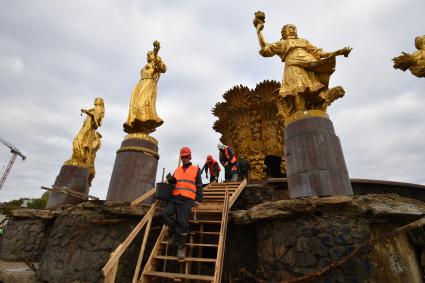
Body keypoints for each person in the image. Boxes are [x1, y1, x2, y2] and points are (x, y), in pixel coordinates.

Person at [254, 13, 351, 118]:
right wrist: (259, 31)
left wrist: (338, 52)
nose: (293, 29)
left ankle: (312, 110)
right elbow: (266, 49)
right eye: (289, 28)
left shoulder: (303, 41)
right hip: (293, 66)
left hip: (309, 65)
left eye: (294, 28)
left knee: (309, 89)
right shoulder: (283, 43)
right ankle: (300, 115)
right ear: (284, 33)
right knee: (297, 90)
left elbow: (319, 53)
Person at [161, 146, 203, 260]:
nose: (184, 158)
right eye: (182, 157)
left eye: (186, 157)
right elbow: (174, 183)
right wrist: (171, 181)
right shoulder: (177, 169)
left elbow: (199, 185)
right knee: (164, 214)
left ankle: (181, 247)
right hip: (175, 198)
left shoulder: (195, 169)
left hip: (187, 200)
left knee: (182, 222)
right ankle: (174, 231)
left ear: (189, 157)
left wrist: (198, 199)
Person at [124, 41, 167, 134]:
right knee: (134, 106)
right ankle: (135, 124)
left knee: (142, 104)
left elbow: (163, 69)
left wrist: (156, 52)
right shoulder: (145, 66)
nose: (148, 56)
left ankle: (144, 122)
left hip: (149, 84)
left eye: (150, 54)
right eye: (147, 55)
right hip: (140, 84)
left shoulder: (155, 66)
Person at [66, 97, 105, 166]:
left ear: (100, 102)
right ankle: (77, 157)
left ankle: (80, 157)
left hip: (88, 128)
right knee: (78, 141)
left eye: (97, 100)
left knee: (79, 141)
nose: (95, 101)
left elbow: (96, 117)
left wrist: (87, 112)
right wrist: (87, 111)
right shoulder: (93, 109)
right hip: (85, 127)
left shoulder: (98, 108)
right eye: (95, 100)